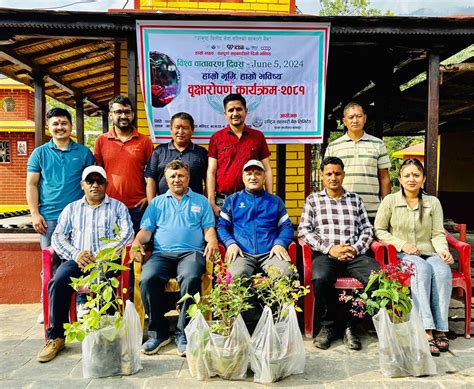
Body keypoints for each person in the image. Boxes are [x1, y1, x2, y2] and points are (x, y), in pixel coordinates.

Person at [36, 166, 133, 362]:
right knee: (58, 281)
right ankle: (56, 337)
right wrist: (77, 254)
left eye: (99, 181)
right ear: (82, 185)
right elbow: (58, 237)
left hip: (105, 260)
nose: (95, 185)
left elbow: (126, 235)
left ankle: (105, 337)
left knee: (103, 282)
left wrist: (100, 255)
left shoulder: (118, 207)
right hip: (76, 259)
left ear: (106, 184)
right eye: (90, 181)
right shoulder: (71, 209)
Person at [130, 160, 219, 357]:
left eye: (180, 176)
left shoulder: (201, 201)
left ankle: (184, 332)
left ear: (188, 178)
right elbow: (146, 231)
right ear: (166, 180)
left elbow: (208, 229)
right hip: (162, 254)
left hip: (191, 253)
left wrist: (212, 241)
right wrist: (137, 242)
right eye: (172, 176)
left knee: (191, 277)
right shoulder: (157, 203)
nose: (177, 179)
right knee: (147, 279)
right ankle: (158, 333)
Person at [298, 156, 380, 351]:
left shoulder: (355, 199)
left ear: (343, 175)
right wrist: (330, 249)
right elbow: (304, 231)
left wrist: (356, 248)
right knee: (320, 278)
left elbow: (367, 229)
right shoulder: (313, 200)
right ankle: (329, 326)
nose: (333, 177)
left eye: (337, 173)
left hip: (354, 254)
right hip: (326, 255)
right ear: (322, 176)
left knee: (378, 279)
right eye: (329, 174)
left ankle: (350, 323)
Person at [374, 158, 453, 356]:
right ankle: (426, 329)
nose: (411, 179)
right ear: (399, 179)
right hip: (402, 255)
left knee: (443, 271)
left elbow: (437, 233)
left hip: (429, 251)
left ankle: (441, 327)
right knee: (423, 270)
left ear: (423, 179)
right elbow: (380, 230)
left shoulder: (432, 203)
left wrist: (443, 250)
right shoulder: (390, 201)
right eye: (407, 175)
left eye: (416, 175)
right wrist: (402, 245)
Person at [26, 107, 94, 323]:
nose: (60, 127)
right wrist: (35, 213)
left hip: (79, 218)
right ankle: (48, 304)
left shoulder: (83, 153)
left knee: (80, 260)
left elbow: (92, 183)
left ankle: (81, 303)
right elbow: (32, 184)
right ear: (49, 127)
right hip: (50, 217)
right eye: (55, 123)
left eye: (64, 123)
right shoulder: (40, 153)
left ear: (71, 126)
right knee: (51, 262)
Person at [217, 159, 294, 277]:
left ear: (264, 178)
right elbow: (221, 227)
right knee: (236, 277)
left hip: (270, 253)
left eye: (258, 173)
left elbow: (286, 226)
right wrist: (230, 243)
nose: (253, 177)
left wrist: (280, 243)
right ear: (243, 177)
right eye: (249, 174)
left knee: (285, 275)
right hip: (242, 253)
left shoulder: (275, 201)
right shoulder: (232, 200)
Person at [94, 95, 154, 233]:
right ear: (110, 115)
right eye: (118, 112)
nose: (123, 116)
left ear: (132, 115)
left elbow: (153, 174)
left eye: (127, 112)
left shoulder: (144, 141)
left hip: (138, 206)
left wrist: (148, 197)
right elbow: (97, 173)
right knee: (109, 250)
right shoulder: (101, 140)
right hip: (109, 205)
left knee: (136, 250)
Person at [207, 93, 273, 217]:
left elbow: (267, 170)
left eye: (239, 109)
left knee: (252, 234)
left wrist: (270, 198)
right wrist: (211, 201)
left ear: (246, 111)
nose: (235, 113)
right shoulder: (216, 137)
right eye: (231, 110)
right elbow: (211, 171)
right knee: (223, 235)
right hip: (223, 200)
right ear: (225, 114)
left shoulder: (258, 136)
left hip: (252, 199)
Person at [325, 102, 391, 223]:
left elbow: (384, 177)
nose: (355, 120)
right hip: (342, 208)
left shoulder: (378, 144)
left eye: (359, 116)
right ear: (344, 121)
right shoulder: (333, 146)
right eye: (351, 117)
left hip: (372, 210)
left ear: (365, 118)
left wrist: (386, 207)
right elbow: (327, 177)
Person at [144, 112, 207, 201]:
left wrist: (206, 203)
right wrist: (152, 205)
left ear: (192, 130)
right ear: (171, 129)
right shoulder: (159, 151)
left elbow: (208, 181)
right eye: (177, 127)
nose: (180, 132)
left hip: (193, 206)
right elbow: (151, 180)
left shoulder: (201, 153)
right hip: (164, 206)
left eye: (185, 128)